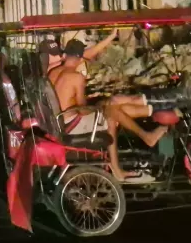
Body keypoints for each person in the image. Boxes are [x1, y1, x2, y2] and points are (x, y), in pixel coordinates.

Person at [47, 30, 168, 181]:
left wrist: (99, 104)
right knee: (111, 112)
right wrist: (98, 106)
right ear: (80, 58)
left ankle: (148, 116)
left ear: (65, 55)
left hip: (58, 123)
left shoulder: (52, 72)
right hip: (71, 125)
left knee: (111, 106)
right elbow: (82, 109)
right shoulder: (76, 77)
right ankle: (136, 147)